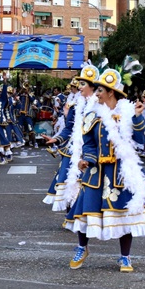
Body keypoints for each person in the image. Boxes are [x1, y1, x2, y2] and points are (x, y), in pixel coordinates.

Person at [64, 59, 145, 273]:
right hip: (96, 172)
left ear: (111, 92)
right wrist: (87, 159)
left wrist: (138, 118)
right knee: (84, 211)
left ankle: (124, 257)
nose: (97, 94)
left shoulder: (130, 113)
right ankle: (81, 248)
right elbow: (90, 143)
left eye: (100, 90)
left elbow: (141, 140)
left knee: (125, 213)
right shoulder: (93, 115)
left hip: (121, 172)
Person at [43, 64, 100, 211]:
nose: (79, 87)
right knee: (68, 182)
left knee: (86, 184)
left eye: (83, 84)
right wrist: (56, 139)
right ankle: (71, 216)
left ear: (92, 86)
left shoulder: (101, 106)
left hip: (91, 150)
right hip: (73, 149)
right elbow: (69, 128)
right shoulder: (75, 106)